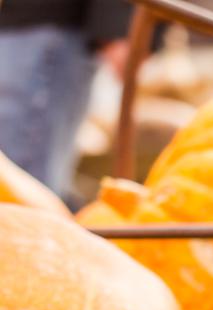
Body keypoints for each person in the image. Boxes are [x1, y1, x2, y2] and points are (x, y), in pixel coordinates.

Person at [0, 1, 132, 200]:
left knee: (24, 177)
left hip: (49, 25)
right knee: (24, 176)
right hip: (40, 27)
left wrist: (115, 24)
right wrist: (116, 25)